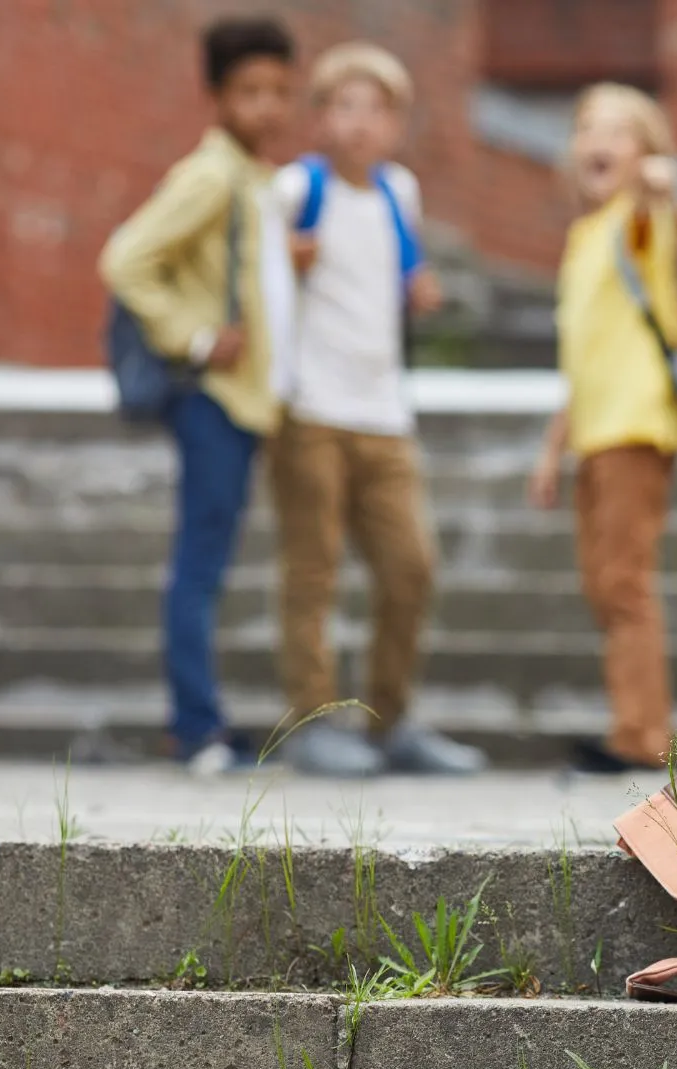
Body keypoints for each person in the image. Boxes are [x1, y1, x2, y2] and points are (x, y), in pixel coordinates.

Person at [265, 42, 484, 777]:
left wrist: (417, 289)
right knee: (313, 569)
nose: (360, 123)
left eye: (377, 109)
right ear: (321, 117)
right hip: (311, 410)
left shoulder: (400, 192)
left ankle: (391, 720)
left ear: (396, 124)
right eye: (344, 106)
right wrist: (284, 265)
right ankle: (314, 720)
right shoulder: (297, 189)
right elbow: (261, 286)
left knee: (411, 568)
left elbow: (396, 268)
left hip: (385, 413)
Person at [99, 16, 298, 776]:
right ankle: (195, 728)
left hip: (247, 403)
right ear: (215, 95)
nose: (268, 107)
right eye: (249, 91)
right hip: (212, 399)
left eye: (280, 91)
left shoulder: (253, 177)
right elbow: (126, 259)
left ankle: (201, 720)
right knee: (200, 562)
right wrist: (194, 336)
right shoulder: (212, 174)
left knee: (209, 558)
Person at [527, 83, 677, 774]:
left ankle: (640, 736)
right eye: (587, 127)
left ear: (645, 151)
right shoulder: (584, 234)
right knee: (604, 585)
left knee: (624, 583)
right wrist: (552, 449)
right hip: (594, 431)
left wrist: (658, 184)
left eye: (619, 131)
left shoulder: (637, 222)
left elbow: (663, 211)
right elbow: (582, 356)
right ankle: (633, 724)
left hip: (636, 424)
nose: (598, 141)